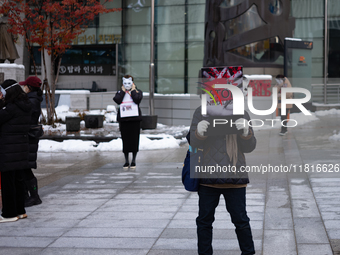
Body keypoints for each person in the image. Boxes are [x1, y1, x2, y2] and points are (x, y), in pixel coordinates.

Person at [189, 104, 256, 254]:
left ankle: (248, 252)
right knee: (204, 220)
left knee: (241, 220)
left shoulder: (240, 112)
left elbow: (249, 147)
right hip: (208, 177)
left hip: (235, 177)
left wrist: (246, 132)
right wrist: (199, 132)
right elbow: (192, 142)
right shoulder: (201, 111)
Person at [0, 79, 32, 223]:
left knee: (8, 182)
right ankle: (20, 211)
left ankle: (9, 213)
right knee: (18, 181)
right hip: (20, 149)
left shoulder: (11, 108)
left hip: (8, 150)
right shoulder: (24, 105)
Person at [19, 76, 43, 207]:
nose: (23, 88)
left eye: (25, 86)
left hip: (29, 137)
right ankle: (29, 195)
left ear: (30, 87)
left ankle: (34, 196)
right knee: (24, 168)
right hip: (29, 137)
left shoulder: (31, 101)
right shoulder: (33, 99)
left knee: (26, 169)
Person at [113, 75, 143, 170]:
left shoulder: (138, 92)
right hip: (124, 120)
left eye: (129, 83)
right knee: (125, 140)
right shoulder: (120, 93)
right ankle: (126, 160)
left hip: (134, 120)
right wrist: (122, 91)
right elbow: (117, 100)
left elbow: (137, 99)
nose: (127, 85)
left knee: (134, 140)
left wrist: (133, 90)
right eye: (124, 83)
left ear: (133, 83)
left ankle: (133, 160)